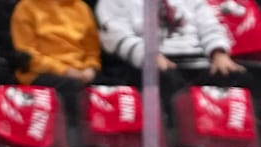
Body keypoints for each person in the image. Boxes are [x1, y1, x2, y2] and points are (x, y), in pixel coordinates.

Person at [94, 0, 244, 92]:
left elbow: (209, 24)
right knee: (166, 82)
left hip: (199, 61)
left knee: (239, 79)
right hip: (150, 62)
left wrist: (219, 53)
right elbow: (114, 34)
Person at [10, 0, 106, 116]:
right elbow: (28, 57)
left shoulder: (81, 7)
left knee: (116, 88)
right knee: (71, 87)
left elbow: (92, 51)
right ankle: (72, 132)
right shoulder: (25, 7)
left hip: (80, 72)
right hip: (40, 73)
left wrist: (91, 68)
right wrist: (64, 71)